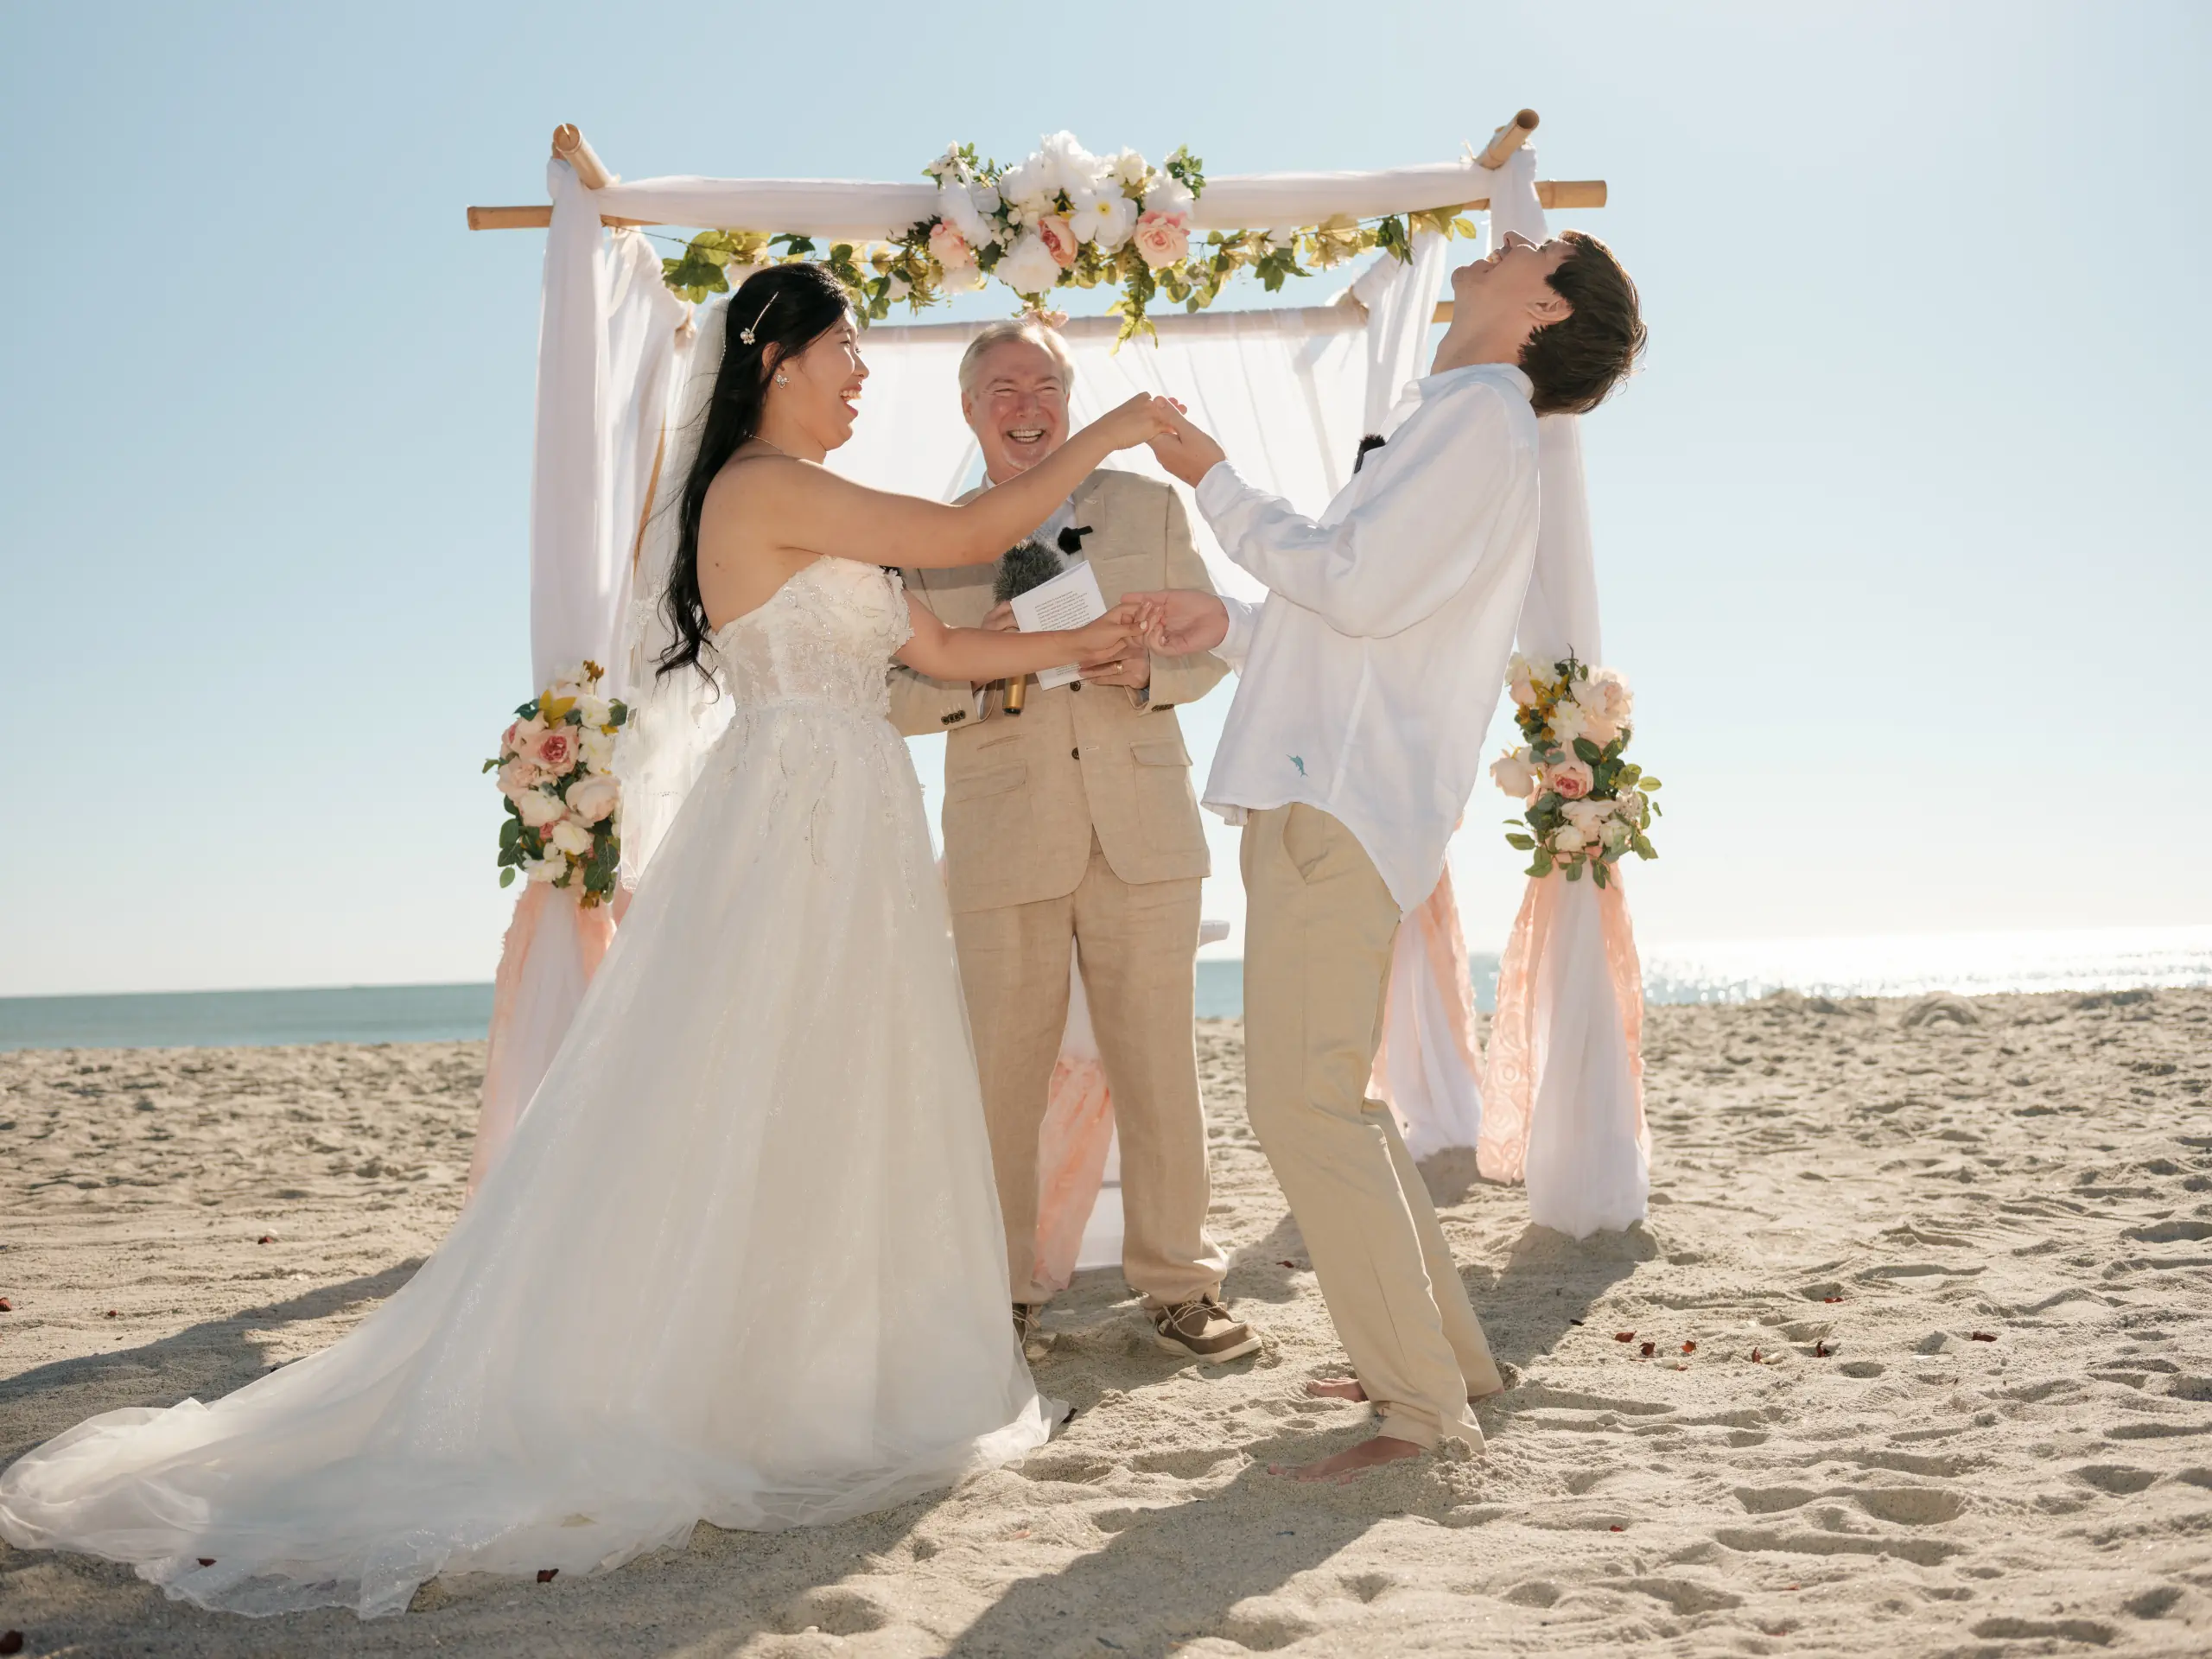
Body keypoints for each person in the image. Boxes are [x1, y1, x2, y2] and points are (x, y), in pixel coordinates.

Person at [0, 263, 1177, 1618]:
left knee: (843, 1092)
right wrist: (1113, 424)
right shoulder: (756, 488)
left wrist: (1093, 638)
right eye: (848, 347)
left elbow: (946, 654)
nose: (863, 371)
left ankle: (824, 1367)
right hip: (794, 821)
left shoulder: (831, 506)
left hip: (861, 820)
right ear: (778, 356)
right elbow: (982, 523)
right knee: (750, 1083)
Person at [1129, 230, 1647, 1483]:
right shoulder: (1464, 422)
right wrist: (1232, 626)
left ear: (1544, 308)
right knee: (1333, 1103)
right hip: (1332, 791)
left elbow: (1354, 591)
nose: (1505, 240)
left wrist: (1214, 482)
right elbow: (1366, 619)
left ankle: (1417, 1410)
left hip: (1336, 803)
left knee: (1301, 1107)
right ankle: (1443, 1366)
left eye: (1536, 246)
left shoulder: (1477, 423)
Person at [888, 319, 1257, 1366]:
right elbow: (892, 696)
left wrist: (1150, 674)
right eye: (1002, 388)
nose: (1026, 404)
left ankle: (1181, 1288)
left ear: (1069, 399)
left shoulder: (1148, 505)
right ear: (970, 410)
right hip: (1004, 838)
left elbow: (1210, 645)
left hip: (1144, 830)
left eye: (1043, 384)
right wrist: (985, 663)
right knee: (998, 1082)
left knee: (1161, 1072)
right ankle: (999, 1298)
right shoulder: (925, 536)